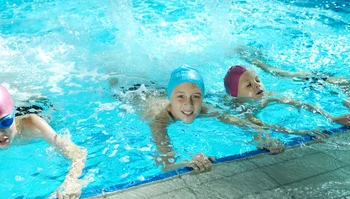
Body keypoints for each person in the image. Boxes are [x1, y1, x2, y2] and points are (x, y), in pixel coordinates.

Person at [137, 66, 326, 172]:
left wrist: (264, 138)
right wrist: (187, 162)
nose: (189, 105)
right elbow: (165, 164)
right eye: (180, 97)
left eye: (196, 96)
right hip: (131, 92)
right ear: (170, 100)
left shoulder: (204, 109)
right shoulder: (159, 120)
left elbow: (241, 123)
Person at [224, 65, 350, 127]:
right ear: (235, 94)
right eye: (248, 85)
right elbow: (259, 126)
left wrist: (332, 117)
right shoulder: (240, 108)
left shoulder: (269, 95)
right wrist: (301, 133)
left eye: (258, 80)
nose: (257, 86)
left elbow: (300, 103)